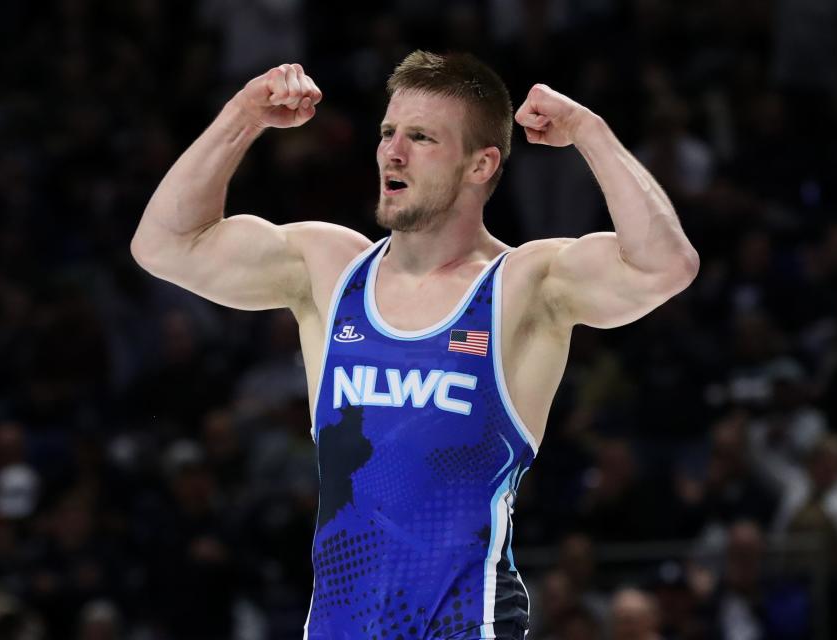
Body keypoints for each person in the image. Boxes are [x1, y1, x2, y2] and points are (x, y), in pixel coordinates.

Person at [131, 51, 698, 639]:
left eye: (421, 137)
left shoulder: (524, 285)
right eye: (387, 133)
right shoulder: (329, 270)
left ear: (481, 165)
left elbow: (666, 267)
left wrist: (588, 131)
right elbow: (164, 245)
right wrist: (243, 115)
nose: (392, 152)